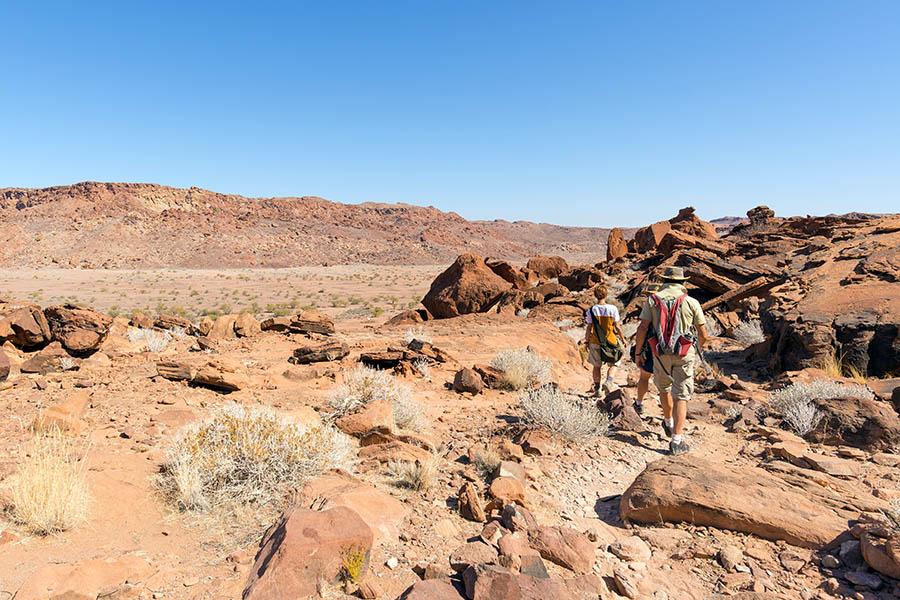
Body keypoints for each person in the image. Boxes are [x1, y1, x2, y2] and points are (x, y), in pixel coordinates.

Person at [633, 267, 708, 455]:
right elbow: (703, 334)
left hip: (660, 352)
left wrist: (638, 353)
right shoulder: (691, 302)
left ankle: (668, 421)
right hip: (684, 353)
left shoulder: (652, 300)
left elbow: (642, 328)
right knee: (681, 395)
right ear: (683, 282)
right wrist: (697, 347)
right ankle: (676, 440)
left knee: (664, 388)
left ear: (664, 280)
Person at [584, 287, 625, 397]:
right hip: (610, 341)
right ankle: (609, 381)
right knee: (615, 363)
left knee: (597, 366)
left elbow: (589, 327)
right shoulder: (612, 308)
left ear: (595, 295)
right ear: (606, 295)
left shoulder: (591, 310)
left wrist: (587, 341)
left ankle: (597, 389)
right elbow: (617, 326)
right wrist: (623, 339)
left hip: (595, 341)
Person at [630, 281, 662, 415]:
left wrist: (638, 353)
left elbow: (642, 328)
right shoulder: (669, 307)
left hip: (650, 347)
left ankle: (639, 403)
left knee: (644, 377)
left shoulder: (649, 307)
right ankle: (668, 412)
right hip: (667, 347)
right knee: (666, 381)